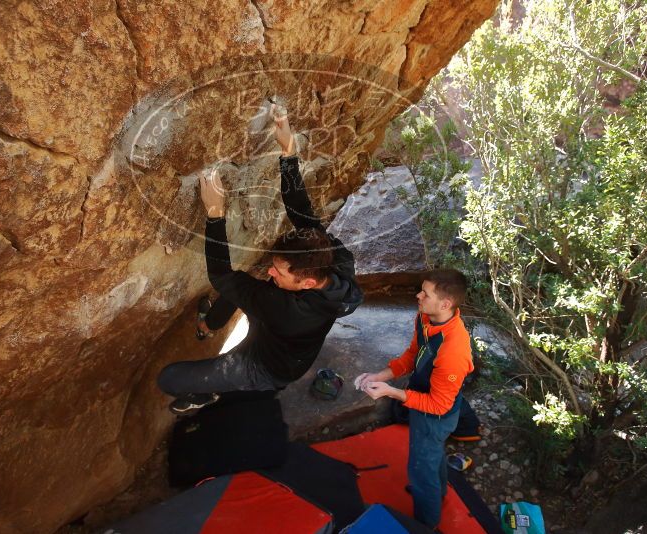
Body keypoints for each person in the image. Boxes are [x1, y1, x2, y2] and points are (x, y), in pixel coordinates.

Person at [158, 105, 363, 414]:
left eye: (279, 271)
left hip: (267, 365)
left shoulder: (285, 309)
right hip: (279, 331)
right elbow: (299, 210)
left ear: (307, 282)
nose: (270, 271)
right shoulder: (336, 261)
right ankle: (208, 325)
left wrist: (215, 214)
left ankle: (205, 394)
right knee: (245, 287)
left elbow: (222, 276)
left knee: (170, 379)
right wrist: (288, 150)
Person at [355, 269, 474, 529]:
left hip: (436, 415)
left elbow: (439, 404)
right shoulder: (425, 317)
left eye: (425, 293)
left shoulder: (454, 350)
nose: (418, 295)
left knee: (421, 471)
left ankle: (425, 524)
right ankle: (439, 492)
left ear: (445, 303)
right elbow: (412, 355)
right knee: (431, 456)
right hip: (422, 399)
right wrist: (381, 375)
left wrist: (392, 392)